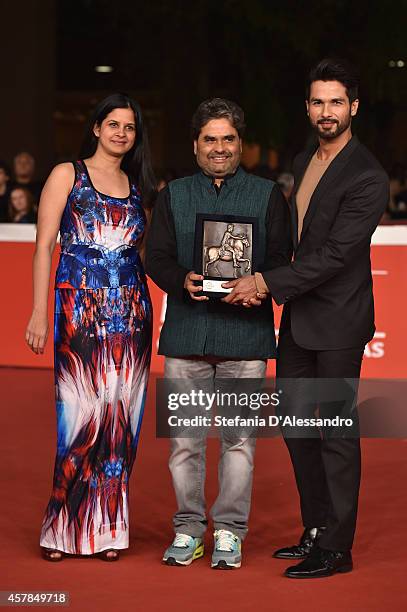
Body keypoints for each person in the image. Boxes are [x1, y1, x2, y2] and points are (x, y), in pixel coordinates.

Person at [223, 59, 389, 578]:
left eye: (336, 102)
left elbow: (337, 255)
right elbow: (297, 244)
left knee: (335, 433)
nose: (326, 111)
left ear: (353, 107)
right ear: (309, 108)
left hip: (338, 322)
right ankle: (316, 528)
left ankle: (337, 548)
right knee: (298, 429)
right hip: (297, 320)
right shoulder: (304, 158)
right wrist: (255, 272)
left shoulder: (367, 175)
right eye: (318, 102)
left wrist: (265, 283)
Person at [145, 98, 291, 569]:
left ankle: (229, 530)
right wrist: (180, 281)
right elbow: (157, 258)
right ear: (195, 145)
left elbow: (281, 261)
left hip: (245, 338)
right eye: (210, 139)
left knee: (239, 441)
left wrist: (259, 285)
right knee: (185, 442)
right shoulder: (174, 195)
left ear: (240, 144)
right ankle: (189, 530)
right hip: (187, 335)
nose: (219, 147)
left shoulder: (268, 196)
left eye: (228, 138)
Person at [25, 93, 156, 562]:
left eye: (130, 127)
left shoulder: (138, 185)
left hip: (133, 318)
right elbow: (44, 247)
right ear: (97, 127)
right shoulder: (68, 175)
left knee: (121, 425)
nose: (122, 133)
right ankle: (62, 528)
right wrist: (40, 312)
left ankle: (107, 530)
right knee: (80, 418)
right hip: (79, 313)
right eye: (114, 124)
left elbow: (140, 256)